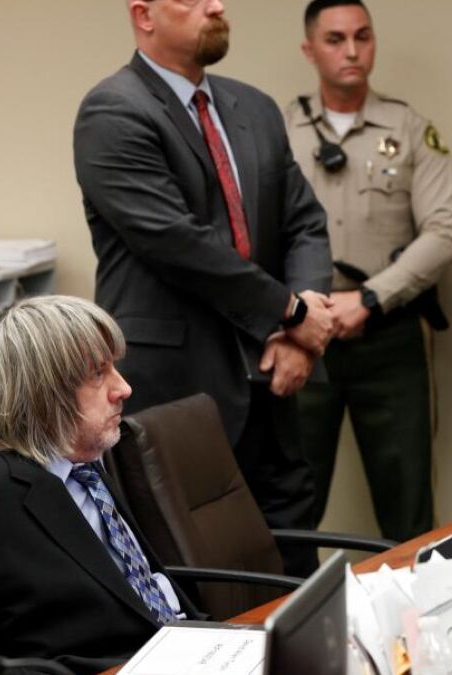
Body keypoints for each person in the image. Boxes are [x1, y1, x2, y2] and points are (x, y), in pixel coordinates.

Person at [73, 0, 333, 574]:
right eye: (193, 0)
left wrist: (303, 328)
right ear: (144, 15)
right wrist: (290, 311)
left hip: (273, 380)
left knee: (293, 568)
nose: (216, 6)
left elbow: (304, 223)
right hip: (178, 387)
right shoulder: (114, 109)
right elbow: (177, 243)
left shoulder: (254, 107)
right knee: (194, 578)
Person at [0, 296, 200, 675]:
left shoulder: (86, 467)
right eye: (98, 374)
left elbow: (132, 594)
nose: (124, 388)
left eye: (114, 368)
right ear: (43, 392)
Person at [285, 0, 452, 542]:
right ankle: (289, 600)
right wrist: (299, 309)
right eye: (335, 39)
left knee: (407, 501)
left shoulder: (410, 129)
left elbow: (443, 233)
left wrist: (368, 299)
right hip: (299, 335)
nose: (352, 51)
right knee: (292, 500)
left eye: (363, 36)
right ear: (309, 50)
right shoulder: (278, 129)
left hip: (387, 333)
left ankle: (411, 596)